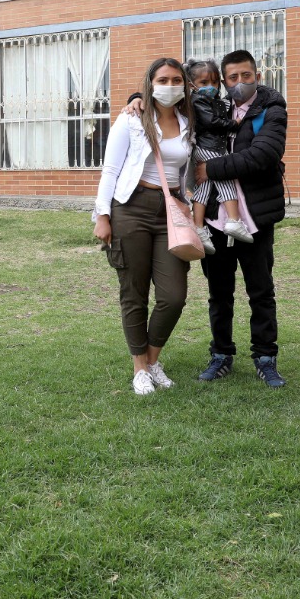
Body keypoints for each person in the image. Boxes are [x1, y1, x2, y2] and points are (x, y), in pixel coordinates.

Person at [126, 50, 289, 388]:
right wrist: (137, 98)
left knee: (261, 291)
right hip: (214, 217)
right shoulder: (215, 105)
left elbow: (264, 155)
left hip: (255, 216)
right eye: (232, 78)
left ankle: (265, 357)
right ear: (224, 81)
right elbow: (169, 96)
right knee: (219, 293)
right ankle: (221, 354)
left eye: (246, 76)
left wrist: (210, 168)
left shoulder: (270, 108)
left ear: (257, 76)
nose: (239, 82)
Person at [93, 58, 196, 395]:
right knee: (134, 292)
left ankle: (152, 360)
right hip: (131, 208)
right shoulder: (132, 119)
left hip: (170, 213)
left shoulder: (188, 122)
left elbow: (186, 169)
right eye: (163, 80)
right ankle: (140, 368)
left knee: (173, 296)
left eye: (176, 80)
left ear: (185, 85)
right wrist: (102, 216)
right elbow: (111, 169)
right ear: (151, 83)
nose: (170, 86)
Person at [184, 59, 252, 254]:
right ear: (192, 85)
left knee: (203, 188)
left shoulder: (213, 100)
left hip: (210, 147)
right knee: (226, 181)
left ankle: (198, 227)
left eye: (215, 82)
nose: (211, 86)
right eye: (204, 82)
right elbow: (212, 122)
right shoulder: (198, 101)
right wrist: (234, 124)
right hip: (210, 148)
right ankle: (234, 221)